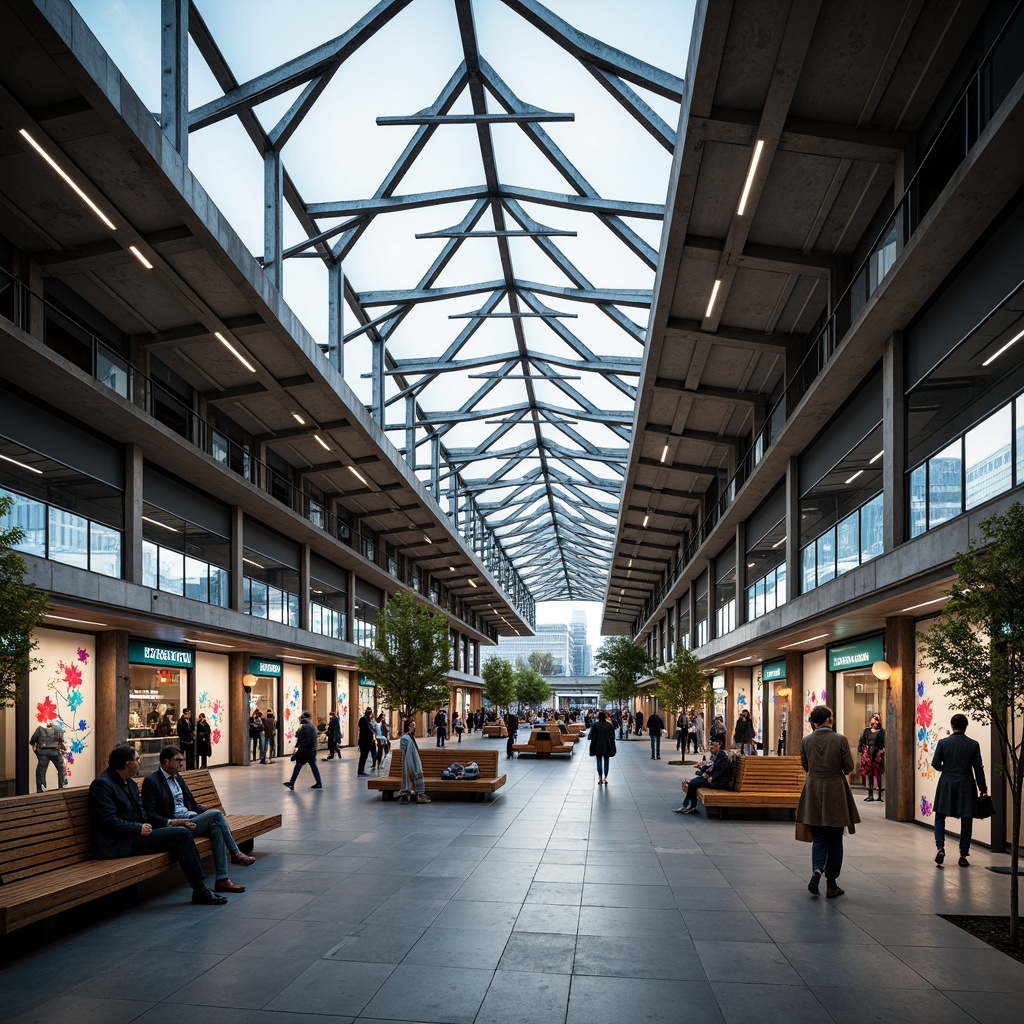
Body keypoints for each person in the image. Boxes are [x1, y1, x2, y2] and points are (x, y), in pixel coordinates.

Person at [89, 744, 226, 905]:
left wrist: (156, 824)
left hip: (137, 834)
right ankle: (200, 889)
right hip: (119, 842)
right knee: (181, 834)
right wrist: (139, 827)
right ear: (128, 763)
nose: (139, 762)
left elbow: (142, 811)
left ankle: (202, 888)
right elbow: (109, 821)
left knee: (181, 832)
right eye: (137, 759)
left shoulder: (129, 783)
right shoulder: (102, 785)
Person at [142, 745, 256, 892]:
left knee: (216, 828)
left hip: (192, 819)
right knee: (216, 816)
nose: (181, 764)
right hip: (177, 826)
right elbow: (151, 815)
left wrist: (205, 813)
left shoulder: (178, 778)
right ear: (165, 761)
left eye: (182, 760)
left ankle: (222, 879)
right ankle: (235, 853)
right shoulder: (152, 781)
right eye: (178, 760)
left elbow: (193, 804)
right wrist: (173, 822)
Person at [797, 705, 860, 898]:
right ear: (829, 720)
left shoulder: (806, 741)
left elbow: (805, 765)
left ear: (814, 722)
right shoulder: (840, 740)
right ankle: (831, 884)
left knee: (819, 836)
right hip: (836, 790)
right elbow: (849, 766)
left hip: (814, 789)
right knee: (835, 839)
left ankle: (817, 871)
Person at [932, 713, 988, 867]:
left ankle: (940, 848)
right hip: (966, 784)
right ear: (966, 726)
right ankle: (963, 854)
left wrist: (947, 769)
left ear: (952, 725)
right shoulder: (973, 744)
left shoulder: (944, 743)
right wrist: (983, 789)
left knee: (940, 816)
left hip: (947, 783)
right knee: (967, 818)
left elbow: (935, 763)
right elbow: (978, 769)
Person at [676, 734, 730, 812]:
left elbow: (720, 770)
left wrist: (712, 777)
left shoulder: (722, 756)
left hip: (717, 782)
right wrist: (701, 768)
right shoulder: (716, 755)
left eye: (713, 746)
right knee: (692, 783)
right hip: (711, 778)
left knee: (693, 783)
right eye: (712, 746)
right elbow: (710, 766)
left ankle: (690, 806)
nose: (712, 748)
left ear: (718, 746)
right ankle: (689, 805)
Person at [285, 711, 322, 790]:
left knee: (298, 765)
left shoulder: (304, 726)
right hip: (312, 750)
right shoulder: (312, 726)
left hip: (305, 750)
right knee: (313, 766)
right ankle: (319, 782)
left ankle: (292, 783)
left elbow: (297, 734)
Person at [29, 719, 67, 793]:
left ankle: (41, 789)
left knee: (41, 771)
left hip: (43, 752)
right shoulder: (58, 730)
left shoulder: (40, 729)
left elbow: (32, 740)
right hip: (55, 752)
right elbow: (62, 741)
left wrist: (35, 748)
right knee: (61, 768)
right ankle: (62, 786)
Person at [398, 718, 430, 804]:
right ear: (409, 726)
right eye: (413, 725)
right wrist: (407, 765)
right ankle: (405, 796)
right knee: (408, 779)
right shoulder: (405, 738)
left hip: (415, 762)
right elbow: (404, 753)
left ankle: (417, 796)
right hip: (409, 762)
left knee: (417, 776)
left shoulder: (411, 737)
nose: (415, 727)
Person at [858, 713, 885, 801]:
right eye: (874, 719)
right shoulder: (867, 731)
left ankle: (880, 795)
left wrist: (882, 750)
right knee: (869, 774)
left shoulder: (882, 731)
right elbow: (862, 741)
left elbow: (884, 742)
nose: (875, 721)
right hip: (868, 753)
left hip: (877, 754)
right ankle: (870, 795)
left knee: (878, 773)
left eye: (877, 719)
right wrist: (862, 751)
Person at [589, 710, 617, 785]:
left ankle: (600, 777)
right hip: (607, 746)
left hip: (598, 746)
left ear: (598, 717)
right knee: (606, 761)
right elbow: (613, 736)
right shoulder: (609, 725)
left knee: (598, 761)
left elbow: (590, 736)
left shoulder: (595, 725)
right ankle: (605, 777)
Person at [357, 707, 376, 775]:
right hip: (365, 741)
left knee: (364, 756)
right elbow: (368, 730)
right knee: (363, 756)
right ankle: (360, 770)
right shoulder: (365, 720)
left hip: (365, 740)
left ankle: (361, 770)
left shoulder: (365, 719)